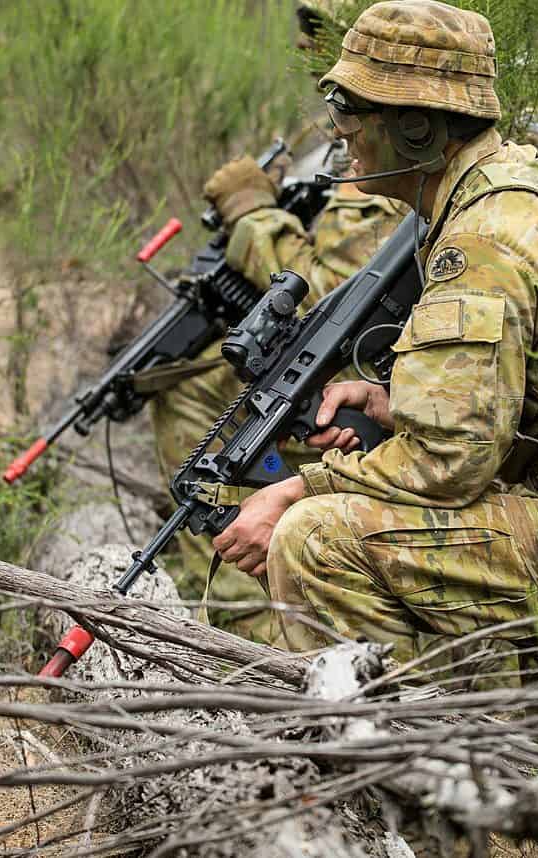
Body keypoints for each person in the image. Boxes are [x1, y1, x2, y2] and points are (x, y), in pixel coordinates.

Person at [209, 0, 538, 688]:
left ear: (411, 128)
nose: (340, 133)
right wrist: (393, 403)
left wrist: (291, 492)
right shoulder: (527, 189)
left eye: (353, 111)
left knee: (314, 538)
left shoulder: (483, 239)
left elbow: (448, 467)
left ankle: (413, 768)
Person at [150, 0, 407, 642]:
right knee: (193, 389)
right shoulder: (344, 142)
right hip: (359, 372)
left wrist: (253, 214)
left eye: (323, 35)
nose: (307, 52)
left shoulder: (388, 144)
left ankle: (246, 625)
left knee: (205, 416)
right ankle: (229, 601)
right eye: (308, 37)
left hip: (365, 371)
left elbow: (329, 290)